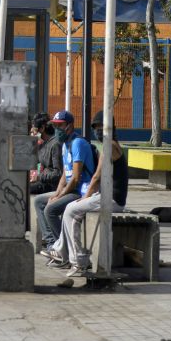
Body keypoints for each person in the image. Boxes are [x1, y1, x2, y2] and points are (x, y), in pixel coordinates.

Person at [45, 111, 129, 276]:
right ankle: (62, 251)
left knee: (71, 210)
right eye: (96, 127)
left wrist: (85, 197)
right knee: (70, 207)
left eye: (101, 127)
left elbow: (97, 176)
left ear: (111, 128)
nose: (98, 131)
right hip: (105, 197)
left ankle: (77, 261)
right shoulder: (108, 145)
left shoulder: (109, 146)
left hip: (113, 199)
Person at [33, 110, 96, 255]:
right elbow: (64, 176)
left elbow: (75, 178)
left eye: (60, 125)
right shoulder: (64, 144)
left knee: (50, 209)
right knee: (39, 201)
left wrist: (60, 195)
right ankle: (52, 244)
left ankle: (64, 251)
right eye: (55, 125)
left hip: (81, 191)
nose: (57, 129)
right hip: (69, 189)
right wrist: (58, 193)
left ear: (69, 125)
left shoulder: (77, 143)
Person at [29, 112, 63, 195]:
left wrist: (39, 177)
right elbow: (32, 162)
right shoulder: (43, 144)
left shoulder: (55, 145)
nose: (32, 131)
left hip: (52, 185)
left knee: (27, 189)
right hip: (44, 181)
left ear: (42, 128)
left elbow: (58, 173)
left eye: (34, 127)